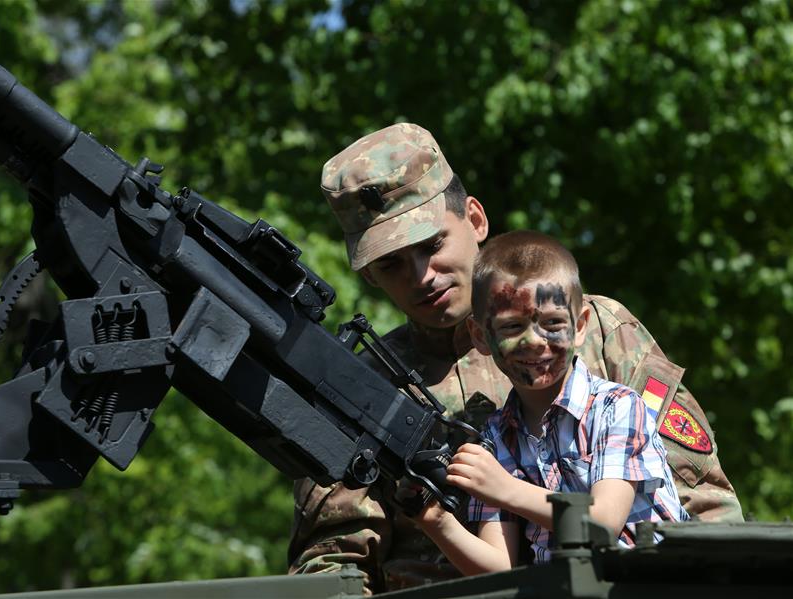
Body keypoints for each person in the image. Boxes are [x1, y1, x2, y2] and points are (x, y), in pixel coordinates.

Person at [288, 123, 742, 594]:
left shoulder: (600, 329)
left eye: (432, 244)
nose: (422, 276)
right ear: (369, 277)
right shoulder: (357, 388)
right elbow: (332, 559)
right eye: (391, 263)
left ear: (475, 219)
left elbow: (702, 499)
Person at [414, 230, 689, 573]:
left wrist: (505, 489)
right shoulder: (496, 439)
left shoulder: (617, 408)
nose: (534, 341)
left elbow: (603, 524)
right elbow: (499, 567)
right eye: (512, 326)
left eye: (552, 323)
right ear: (481, 337)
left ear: (580, 325)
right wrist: (435, 521)